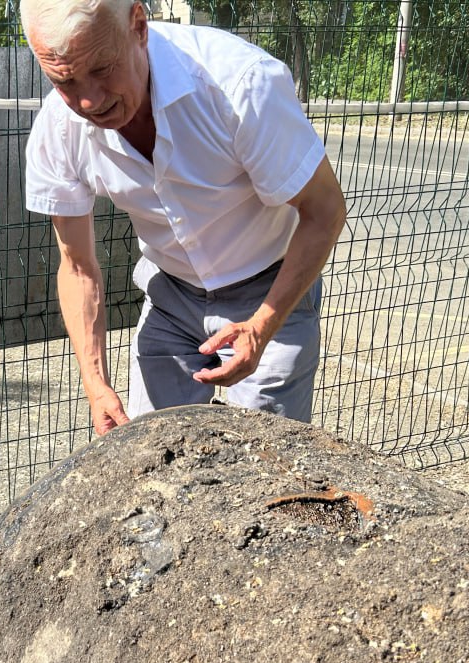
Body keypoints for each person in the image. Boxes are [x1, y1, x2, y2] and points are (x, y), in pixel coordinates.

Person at [21, 0, 347, 435]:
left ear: (139, 26)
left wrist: (262, 327)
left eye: (101, 69)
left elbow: (325, 211)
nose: (88, 100)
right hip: (171, 296)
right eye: (64, 80)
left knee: (265, 471)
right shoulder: (59, 127)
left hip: (268, 286)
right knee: (150, 454)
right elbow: (77, 267)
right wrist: (95, 382)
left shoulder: (239, 85)